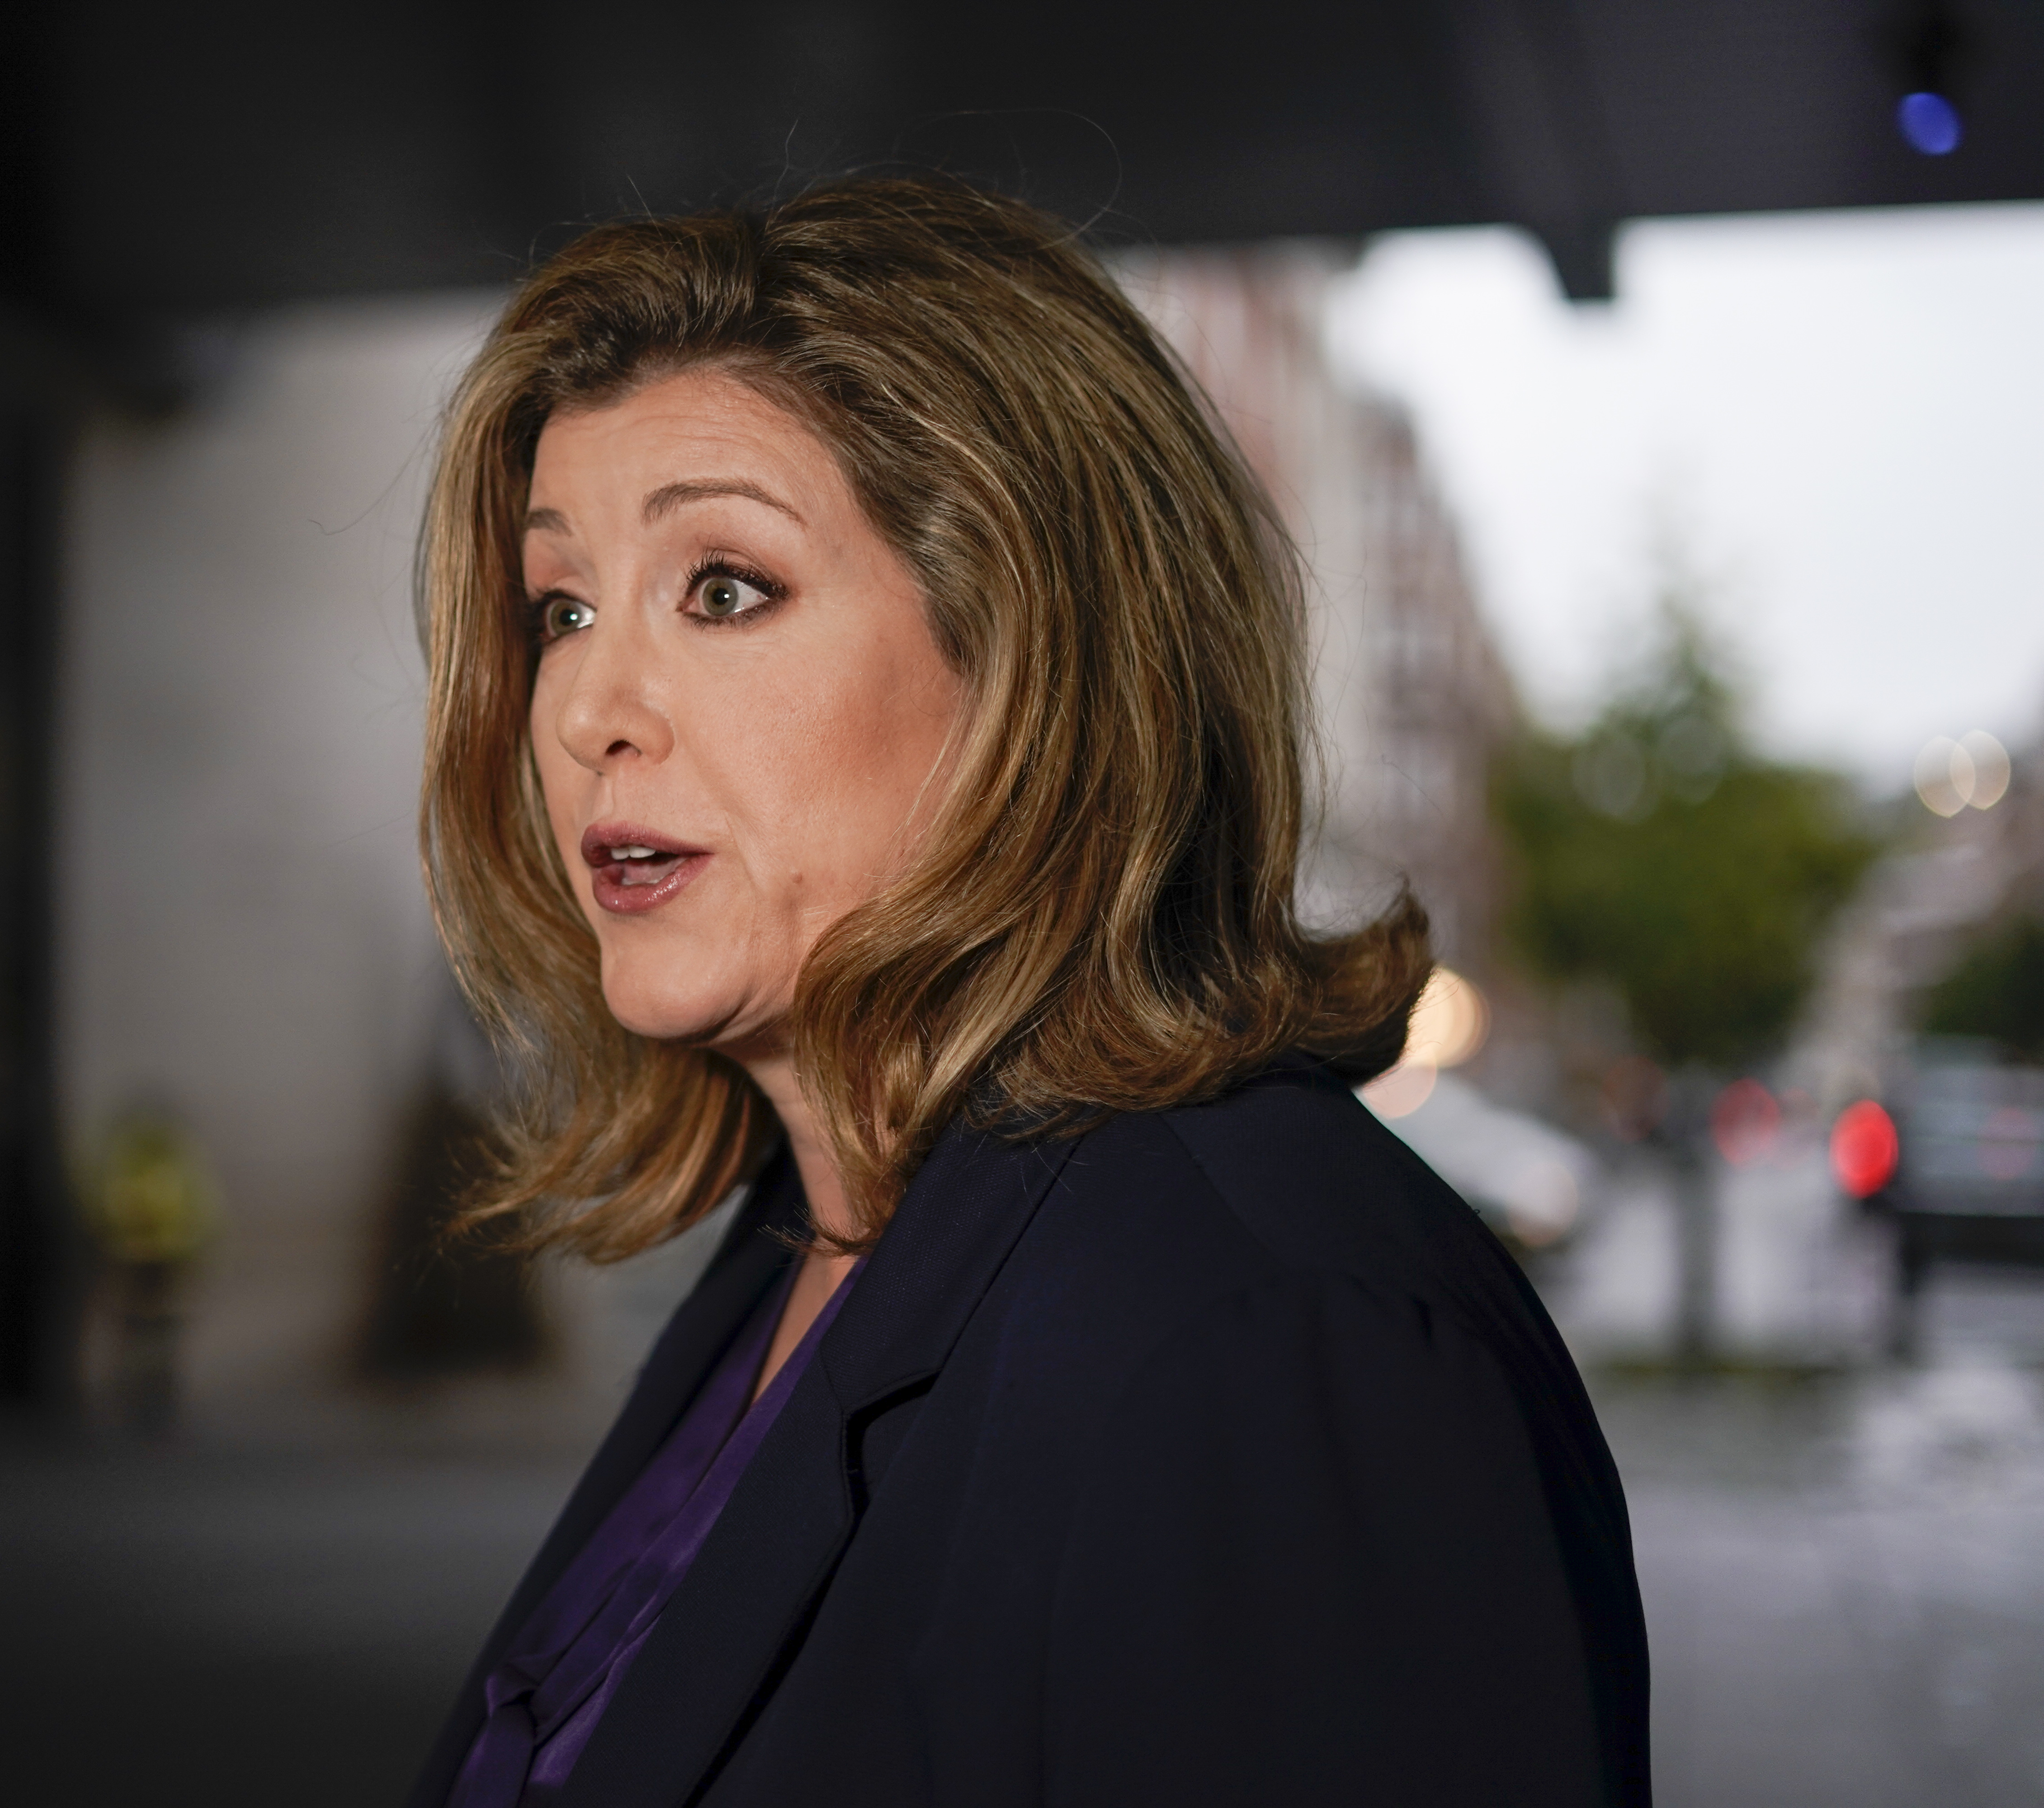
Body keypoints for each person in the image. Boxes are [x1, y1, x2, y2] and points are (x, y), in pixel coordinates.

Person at [405, 177, 1647, 1808]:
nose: (586, 713)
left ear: (1032, 652)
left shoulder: (1278, 1343)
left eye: (722, 587)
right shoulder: (824, 1240)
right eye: (561, 606)